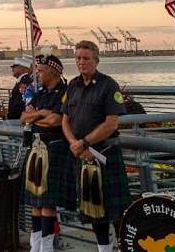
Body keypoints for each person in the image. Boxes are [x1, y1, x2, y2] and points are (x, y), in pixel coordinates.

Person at [60, 40, 130, 252]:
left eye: (86, 58)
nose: (82, 62)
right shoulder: (72, 85)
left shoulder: (109, 85)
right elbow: (65, 120)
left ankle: (125, 246)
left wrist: (84, 142)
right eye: (78, 58)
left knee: (116, 212)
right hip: (81, 155)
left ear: (96, 61)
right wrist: (74, 143)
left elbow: (111, 124)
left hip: (104, 154)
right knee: (94, 211)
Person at [20, 55, 68, 252]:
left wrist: (35, 115)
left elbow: (56, 121)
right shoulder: (39, 94)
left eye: (39, 70)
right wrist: (41, 114)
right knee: (35, 202)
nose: (36, 74)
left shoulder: (64, 93)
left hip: (54, 148)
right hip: (36, 147)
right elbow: (23, 117)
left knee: (47, 203)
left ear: (52, 71)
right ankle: (35, 245)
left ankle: (46, 247)